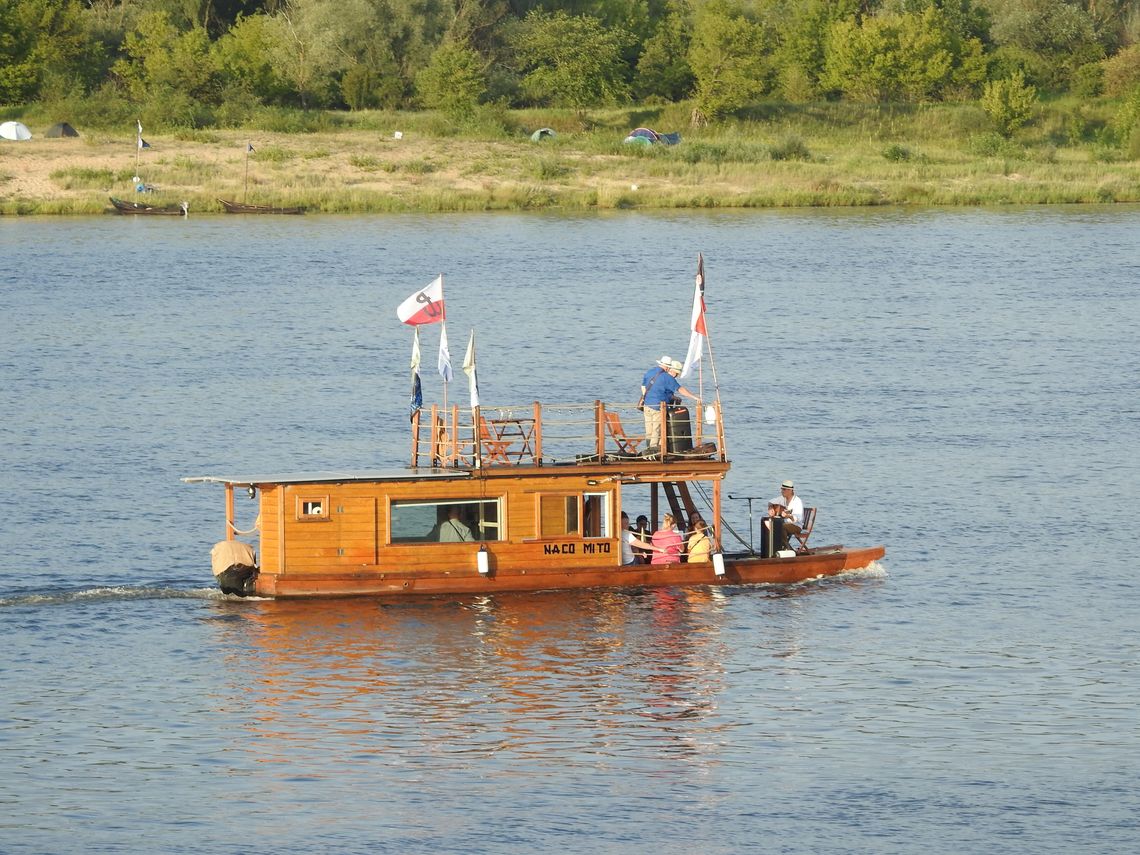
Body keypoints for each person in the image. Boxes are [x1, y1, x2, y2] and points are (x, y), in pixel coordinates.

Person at [640, 355, 699, 452]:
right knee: (656, 431)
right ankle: (653, 452)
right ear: (668, 367)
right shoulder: (666, 377)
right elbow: (681, 389)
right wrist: (694, 397)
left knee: (649, 431)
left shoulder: (650, 372)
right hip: (658, 407)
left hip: (647, 405)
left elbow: (643, 387)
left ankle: (648, 451)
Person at [769, 480, 804, 550]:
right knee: (772, 525)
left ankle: (787, 548)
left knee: (781, 527)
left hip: (796, 525)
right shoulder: (782, 499)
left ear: (790, 490)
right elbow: (770, 501)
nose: (782, 491)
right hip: (785, 524)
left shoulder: (797, 501)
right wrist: (770, 508)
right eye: (781, 489)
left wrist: (789, 516)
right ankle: (774, 549)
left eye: (784, 489)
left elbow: (798, 518)